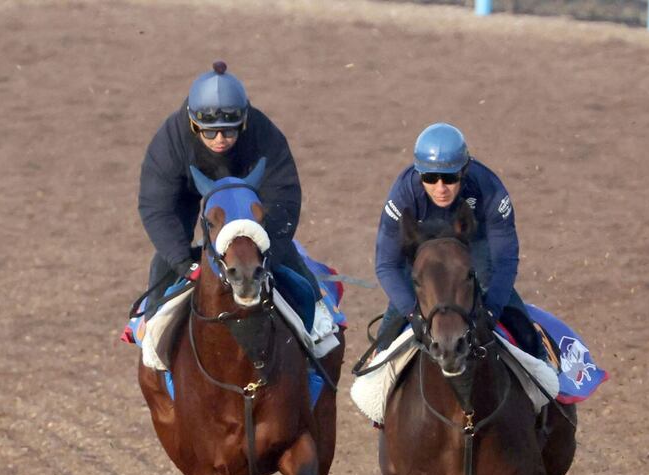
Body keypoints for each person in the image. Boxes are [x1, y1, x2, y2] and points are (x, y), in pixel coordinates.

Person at [138, 60, 332, 334]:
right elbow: (157, 208)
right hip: (187, 192)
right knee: (165, 258)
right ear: (193, 125)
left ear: (243, 124)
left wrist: (269, 250)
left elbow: (283, 197)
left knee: (285, 254)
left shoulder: (264, 133)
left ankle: (319, 318)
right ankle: (152, 327)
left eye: (229, 131)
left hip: (249, 191)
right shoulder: (170, 141)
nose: (220, 139)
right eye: (209, 132)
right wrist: (184, 262)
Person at [374, 122, 546, 359]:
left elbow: (504, 261)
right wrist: (411, 313)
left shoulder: (489, 188)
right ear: (418, 174)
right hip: (423, 257)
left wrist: (492, 310)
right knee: (386, 337)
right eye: (430, 178)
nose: (440, 188)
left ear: (464, 170)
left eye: (450, 177)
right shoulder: (403, 195)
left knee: (521, 324)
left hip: (475, 251)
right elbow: (387, 265)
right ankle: (375, 370)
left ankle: (543, 370)